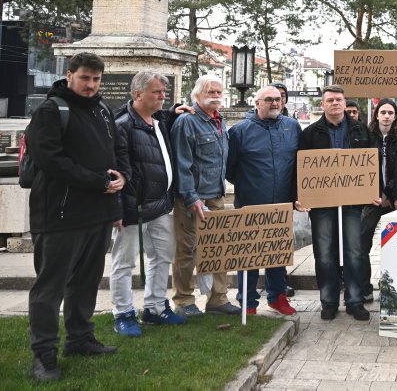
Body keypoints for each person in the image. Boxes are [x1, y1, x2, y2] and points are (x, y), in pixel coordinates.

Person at [25, 52, 126, 381]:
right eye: (85, 78)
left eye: (96, 79)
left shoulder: (101, 110)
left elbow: (113, 154)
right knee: (49, 289)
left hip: (96, 214)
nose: (91, 84)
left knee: (85, 282)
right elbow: (50, 160)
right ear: (69, 75)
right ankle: (43, 355)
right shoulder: (51, 111)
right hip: (60, 214)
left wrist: (120, 178)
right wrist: (97, 181)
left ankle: (80, 339)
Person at [109, 71, 184, 338]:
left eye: (164, 92)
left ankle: (155, 307)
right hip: (134, 208)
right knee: (125, 262)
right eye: (157, 92)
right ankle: (123, 313)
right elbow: (116, 171)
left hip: (161, 205)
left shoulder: (158, 120)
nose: (163, 96)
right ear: (137, 94)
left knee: (162, 256)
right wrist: (117, 209)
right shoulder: (123, 125)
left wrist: (174, 110)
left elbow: (167, 117)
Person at [296, 84, 373, 321]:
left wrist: (373, 191)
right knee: (325, 253)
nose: (335, 103)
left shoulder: (360, 130)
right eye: (330, 100)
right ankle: (328, 301)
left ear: (344, 102)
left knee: (354, 251)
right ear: (323, 104)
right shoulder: (310, 133)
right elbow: (300, 167)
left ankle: (355, 300)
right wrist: (299, 196)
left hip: (351, 202)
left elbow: (370, 163)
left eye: (339, 99)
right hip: (322, 203)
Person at [171, 74, 242, 317]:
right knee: (187, 250)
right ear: (197, 95)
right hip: (192, 198)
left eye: (218, 92)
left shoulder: (219, 121)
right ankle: (183, 300)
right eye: (210, 92)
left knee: (218, 248)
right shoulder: (186, 122)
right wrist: (191, 198)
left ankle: (218, 299)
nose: (215, 96)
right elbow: (182, 164)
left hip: (216, 196)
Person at [226, 85, 300, 316]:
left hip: (281, 203)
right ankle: (247, 303)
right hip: (251, 203)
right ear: (256, 103)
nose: (275, 103)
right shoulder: (239, 131)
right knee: (248, 256)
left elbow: (299, 164)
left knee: (277, 253)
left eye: (278, 99)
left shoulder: (293, 127)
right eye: (268, 99)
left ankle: (277, 297)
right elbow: (230, 169)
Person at [360, 98, 397, 303]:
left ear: (395, 116)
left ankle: (390, 287)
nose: (386, 116)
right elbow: (360, 167)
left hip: (393, 200)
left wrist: (388, 193)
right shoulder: (366, 137)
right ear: (376, 115)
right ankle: (365, 287)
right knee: (362, 242)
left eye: (390, 113)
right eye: (383, 112)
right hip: (370, 199)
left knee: (395, 245)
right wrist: (375, 193)